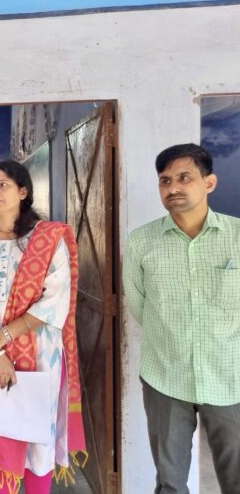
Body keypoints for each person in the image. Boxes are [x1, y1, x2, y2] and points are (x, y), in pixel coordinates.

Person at [0, 160, 86, 494]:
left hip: (41, 353)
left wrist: (5, 335)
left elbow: (55, 300)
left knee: (37, 439)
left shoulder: (48, 238)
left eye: (3, 185)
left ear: (23, 192)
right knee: (2, 440)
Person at [123, 143, 240, 494]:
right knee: (170, 483)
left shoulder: (237, 237)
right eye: (164, 180)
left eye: (184, 178)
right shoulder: (141, 242)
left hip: (230, 376)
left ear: (209, 183)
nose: (172, 188)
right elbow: (139, 304)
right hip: (165, 377)